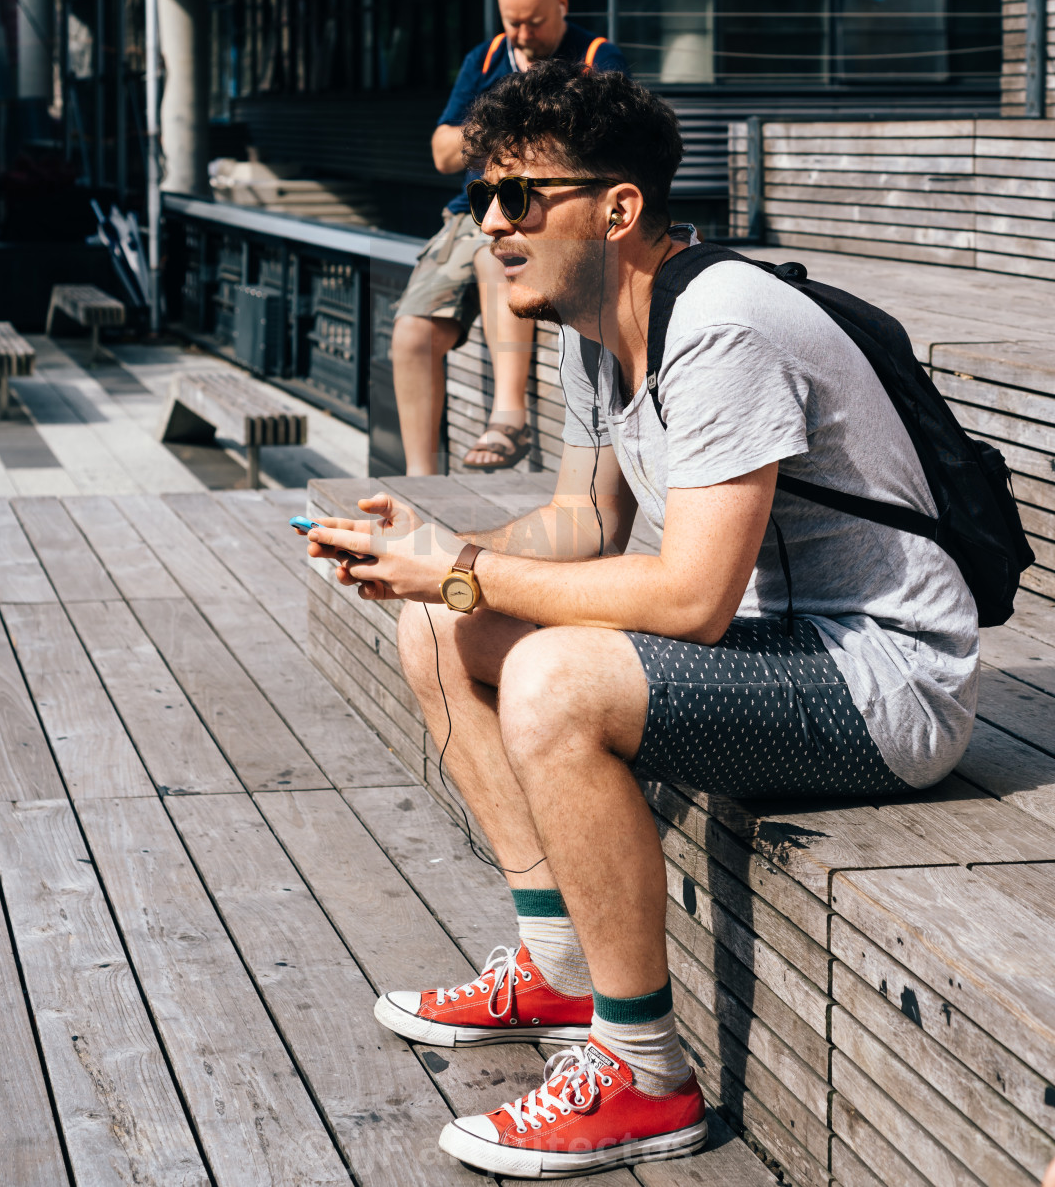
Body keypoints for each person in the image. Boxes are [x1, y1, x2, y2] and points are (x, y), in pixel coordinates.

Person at [306, 62, 979, 1176]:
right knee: (436, 627)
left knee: (548, 677)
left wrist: (465, 566)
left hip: (882, 681)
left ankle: (643, 1075)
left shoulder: (717, 326)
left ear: (617, 208)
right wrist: (418, 558)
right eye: (485, 198)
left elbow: (688, 598)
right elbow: (584, 522)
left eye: (521, 197)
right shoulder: (592, 322)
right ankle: (559, 963)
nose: (491, 224)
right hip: (771, 654)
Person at [391, 0, 627, 475]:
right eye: (511, 20)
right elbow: (441, 151)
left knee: (495, 259)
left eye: (534, 21)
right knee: (410, 334)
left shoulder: (596, 57)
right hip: (469, 209)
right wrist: (508, 121)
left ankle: (508, 418)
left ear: (561, 5)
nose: (521, 34)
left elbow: (610, 146)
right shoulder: (487, 57)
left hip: (545, 208)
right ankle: (420, 479)